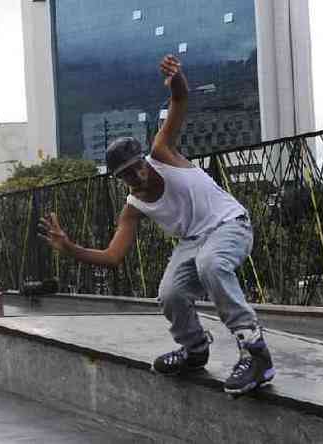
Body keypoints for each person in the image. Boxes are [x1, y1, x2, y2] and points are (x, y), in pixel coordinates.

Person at [39, 55, 274, 396]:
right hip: (193, 240)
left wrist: (176, 80)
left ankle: (255, 351)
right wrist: (70, 248)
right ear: (118, 179)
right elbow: (113, 256)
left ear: (145, 162)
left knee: (211, 263)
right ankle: (195, 349)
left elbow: (180, 101)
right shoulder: (132, 207)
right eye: (125, 176)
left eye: (137, 168)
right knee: (170, 293)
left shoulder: (162, 152)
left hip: (230, 224)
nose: (136, 178)